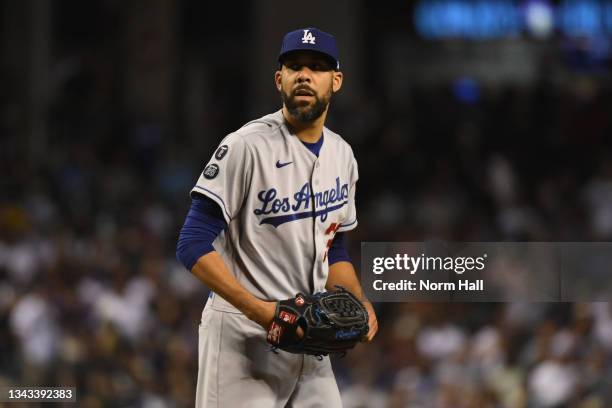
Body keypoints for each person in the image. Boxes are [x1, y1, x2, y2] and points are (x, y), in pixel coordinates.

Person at [176, 27, 378, 407]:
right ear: (279, 79)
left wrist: (360, 300)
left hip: (311, 339)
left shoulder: (342, 155)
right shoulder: (245, 146)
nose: (304, 75)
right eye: (295, 65)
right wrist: (263, 313)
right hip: (242, 339)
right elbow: (191, 244)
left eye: (317, 67)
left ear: (336, 81)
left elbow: (334, 250)